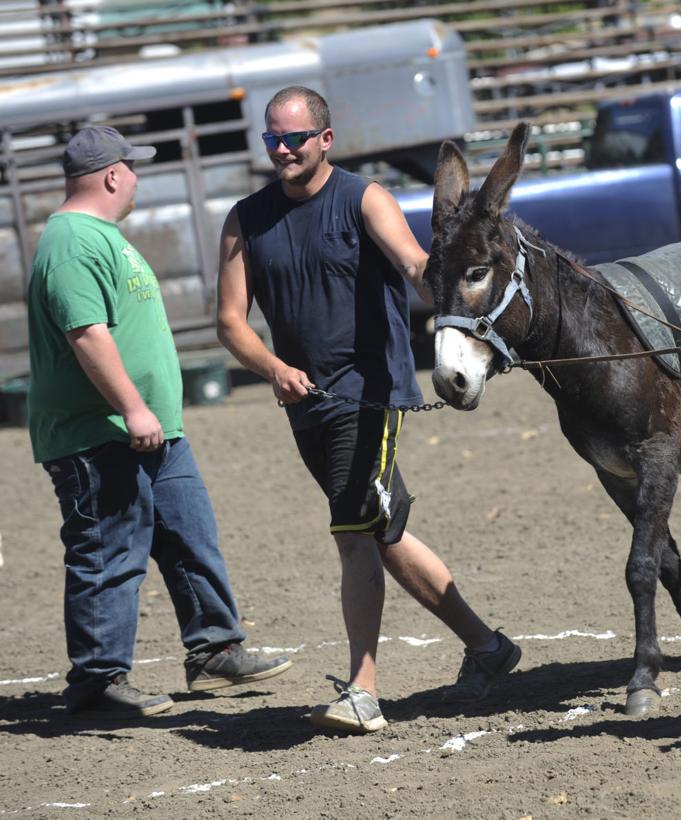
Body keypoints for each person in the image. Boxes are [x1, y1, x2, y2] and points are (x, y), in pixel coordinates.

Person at [215, 86, 520, 734]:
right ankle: (488, 646)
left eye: (294, 138)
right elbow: (230, 322)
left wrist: (466, 311)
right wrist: (273, 368)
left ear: (325, 139)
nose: (282, 149)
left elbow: (415, 266)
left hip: (369, 393)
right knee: (382, 532)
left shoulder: (363, 199)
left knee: (354, 533)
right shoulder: (245, 220)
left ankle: (363, 691)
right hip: (305, 402)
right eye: (272, 138)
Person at [27, 126, 293, 719]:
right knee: (107, 552)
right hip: (100, 432)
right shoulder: (71, 241)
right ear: (112, 175)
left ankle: (215, 649)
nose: (136, 180)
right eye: (132, 168)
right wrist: (131, 406)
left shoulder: (100, 235)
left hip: (152, 430)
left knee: (189, 536)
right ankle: (96, 681)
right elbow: (86, 334)